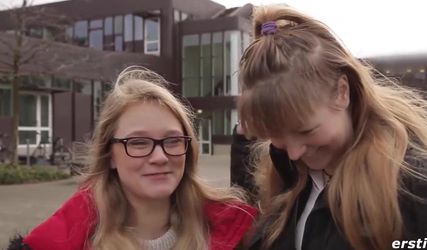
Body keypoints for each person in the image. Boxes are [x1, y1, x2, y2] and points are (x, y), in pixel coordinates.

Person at [233, 4, 427, 250]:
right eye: (276, 135)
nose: (292, 152)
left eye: (306, 131)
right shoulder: (290, 173)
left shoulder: (416, 182)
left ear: (342, 92)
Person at [8, 67, 257, 250]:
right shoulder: (65, 242)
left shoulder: (236, 234)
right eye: (138, 143)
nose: (159, 157)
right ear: (110, 156)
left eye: (172, 141)